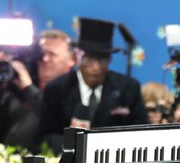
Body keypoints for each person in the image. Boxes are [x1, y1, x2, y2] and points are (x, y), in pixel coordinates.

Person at [38, 18, 147, 151]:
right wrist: (80, 148)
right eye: (89, 58)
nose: (95, 67)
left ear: (109, 59)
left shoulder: (128, 88)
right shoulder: (57, 89)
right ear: (77, 56)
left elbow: (142, 135)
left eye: (101, 59)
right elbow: (45, 137)